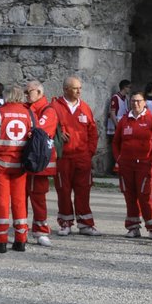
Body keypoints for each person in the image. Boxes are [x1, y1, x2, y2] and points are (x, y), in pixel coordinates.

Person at [0, 85, 33, 253]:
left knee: (2, 201)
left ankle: (1, 242)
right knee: (19, 201)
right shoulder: (28, 114)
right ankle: (21, 240)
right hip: (20, 166)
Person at [112, 88, 152, 238]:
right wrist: (118, 158)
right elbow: (116, 142)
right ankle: (133, 227)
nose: (136, 104)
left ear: (144, 103)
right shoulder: (124, 120)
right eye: (133, 101)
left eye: (139, 101)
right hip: (126, 165)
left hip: (144, 164)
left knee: (145, 196)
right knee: (129, 195)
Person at [52, 76, 101, 235]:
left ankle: (85, 224)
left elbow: (93, 133)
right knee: (63, 191)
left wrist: (89, 153)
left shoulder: (85, 108)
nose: (79, 91)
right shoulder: (54, 106)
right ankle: (65, 223)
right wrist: (57, 136)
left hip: (82, 158)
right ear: (65, 89)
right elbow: (45, 129)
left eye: (80, 88)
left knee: (83, 191)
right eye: (75, 88)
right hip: (63, 158)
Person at [24, 80, 61, 245]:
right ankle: (21, 231)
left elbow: (38, 131)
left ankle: (41, 231)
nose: (26, 95)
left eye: (28, 92)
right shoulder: (25, 108)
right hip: (25, 160)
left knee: (38, 198)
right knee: (19, 198)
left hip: (39, 163)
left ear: (38, 93)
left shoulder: (48, 111)